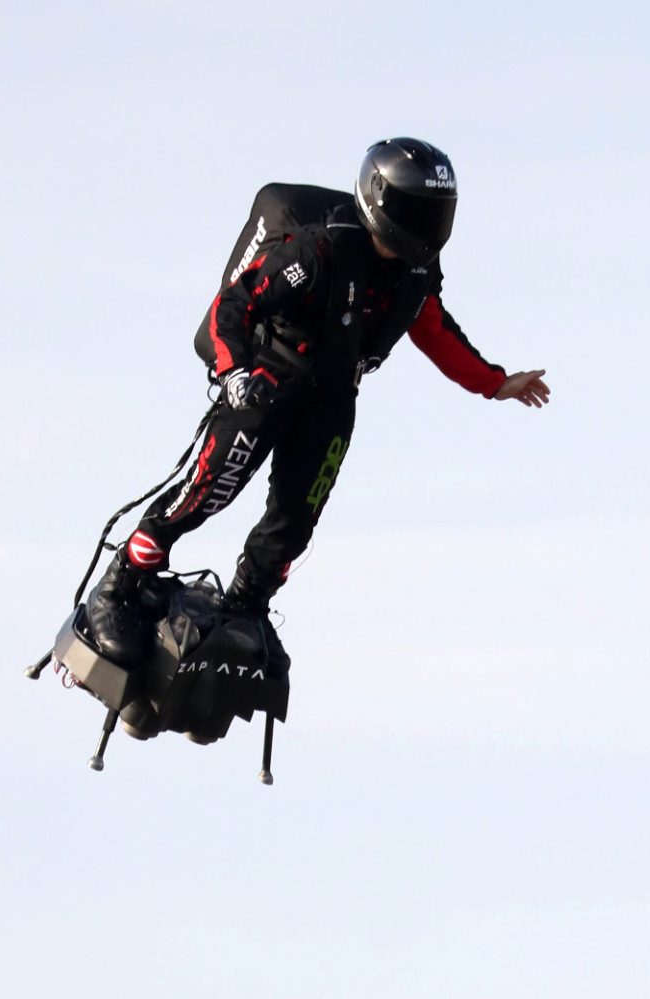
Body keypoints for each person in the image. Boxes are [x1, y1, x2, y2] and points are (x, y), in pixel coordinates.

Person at [84, 138, 550, 663]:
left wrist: (495, 382)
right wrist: (234, 372)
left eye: (437, 212)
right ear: (380, 201)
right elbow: (235, 304)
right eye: (417, 210)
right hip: (268, 380)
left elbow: (435, 331)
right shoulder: (320, 248)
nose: (428, 224)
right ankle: (121, 584)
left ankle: (245, 609)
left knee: (295, 520)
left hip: (334, 398)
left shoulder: (417, 274)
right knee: (209, 491)